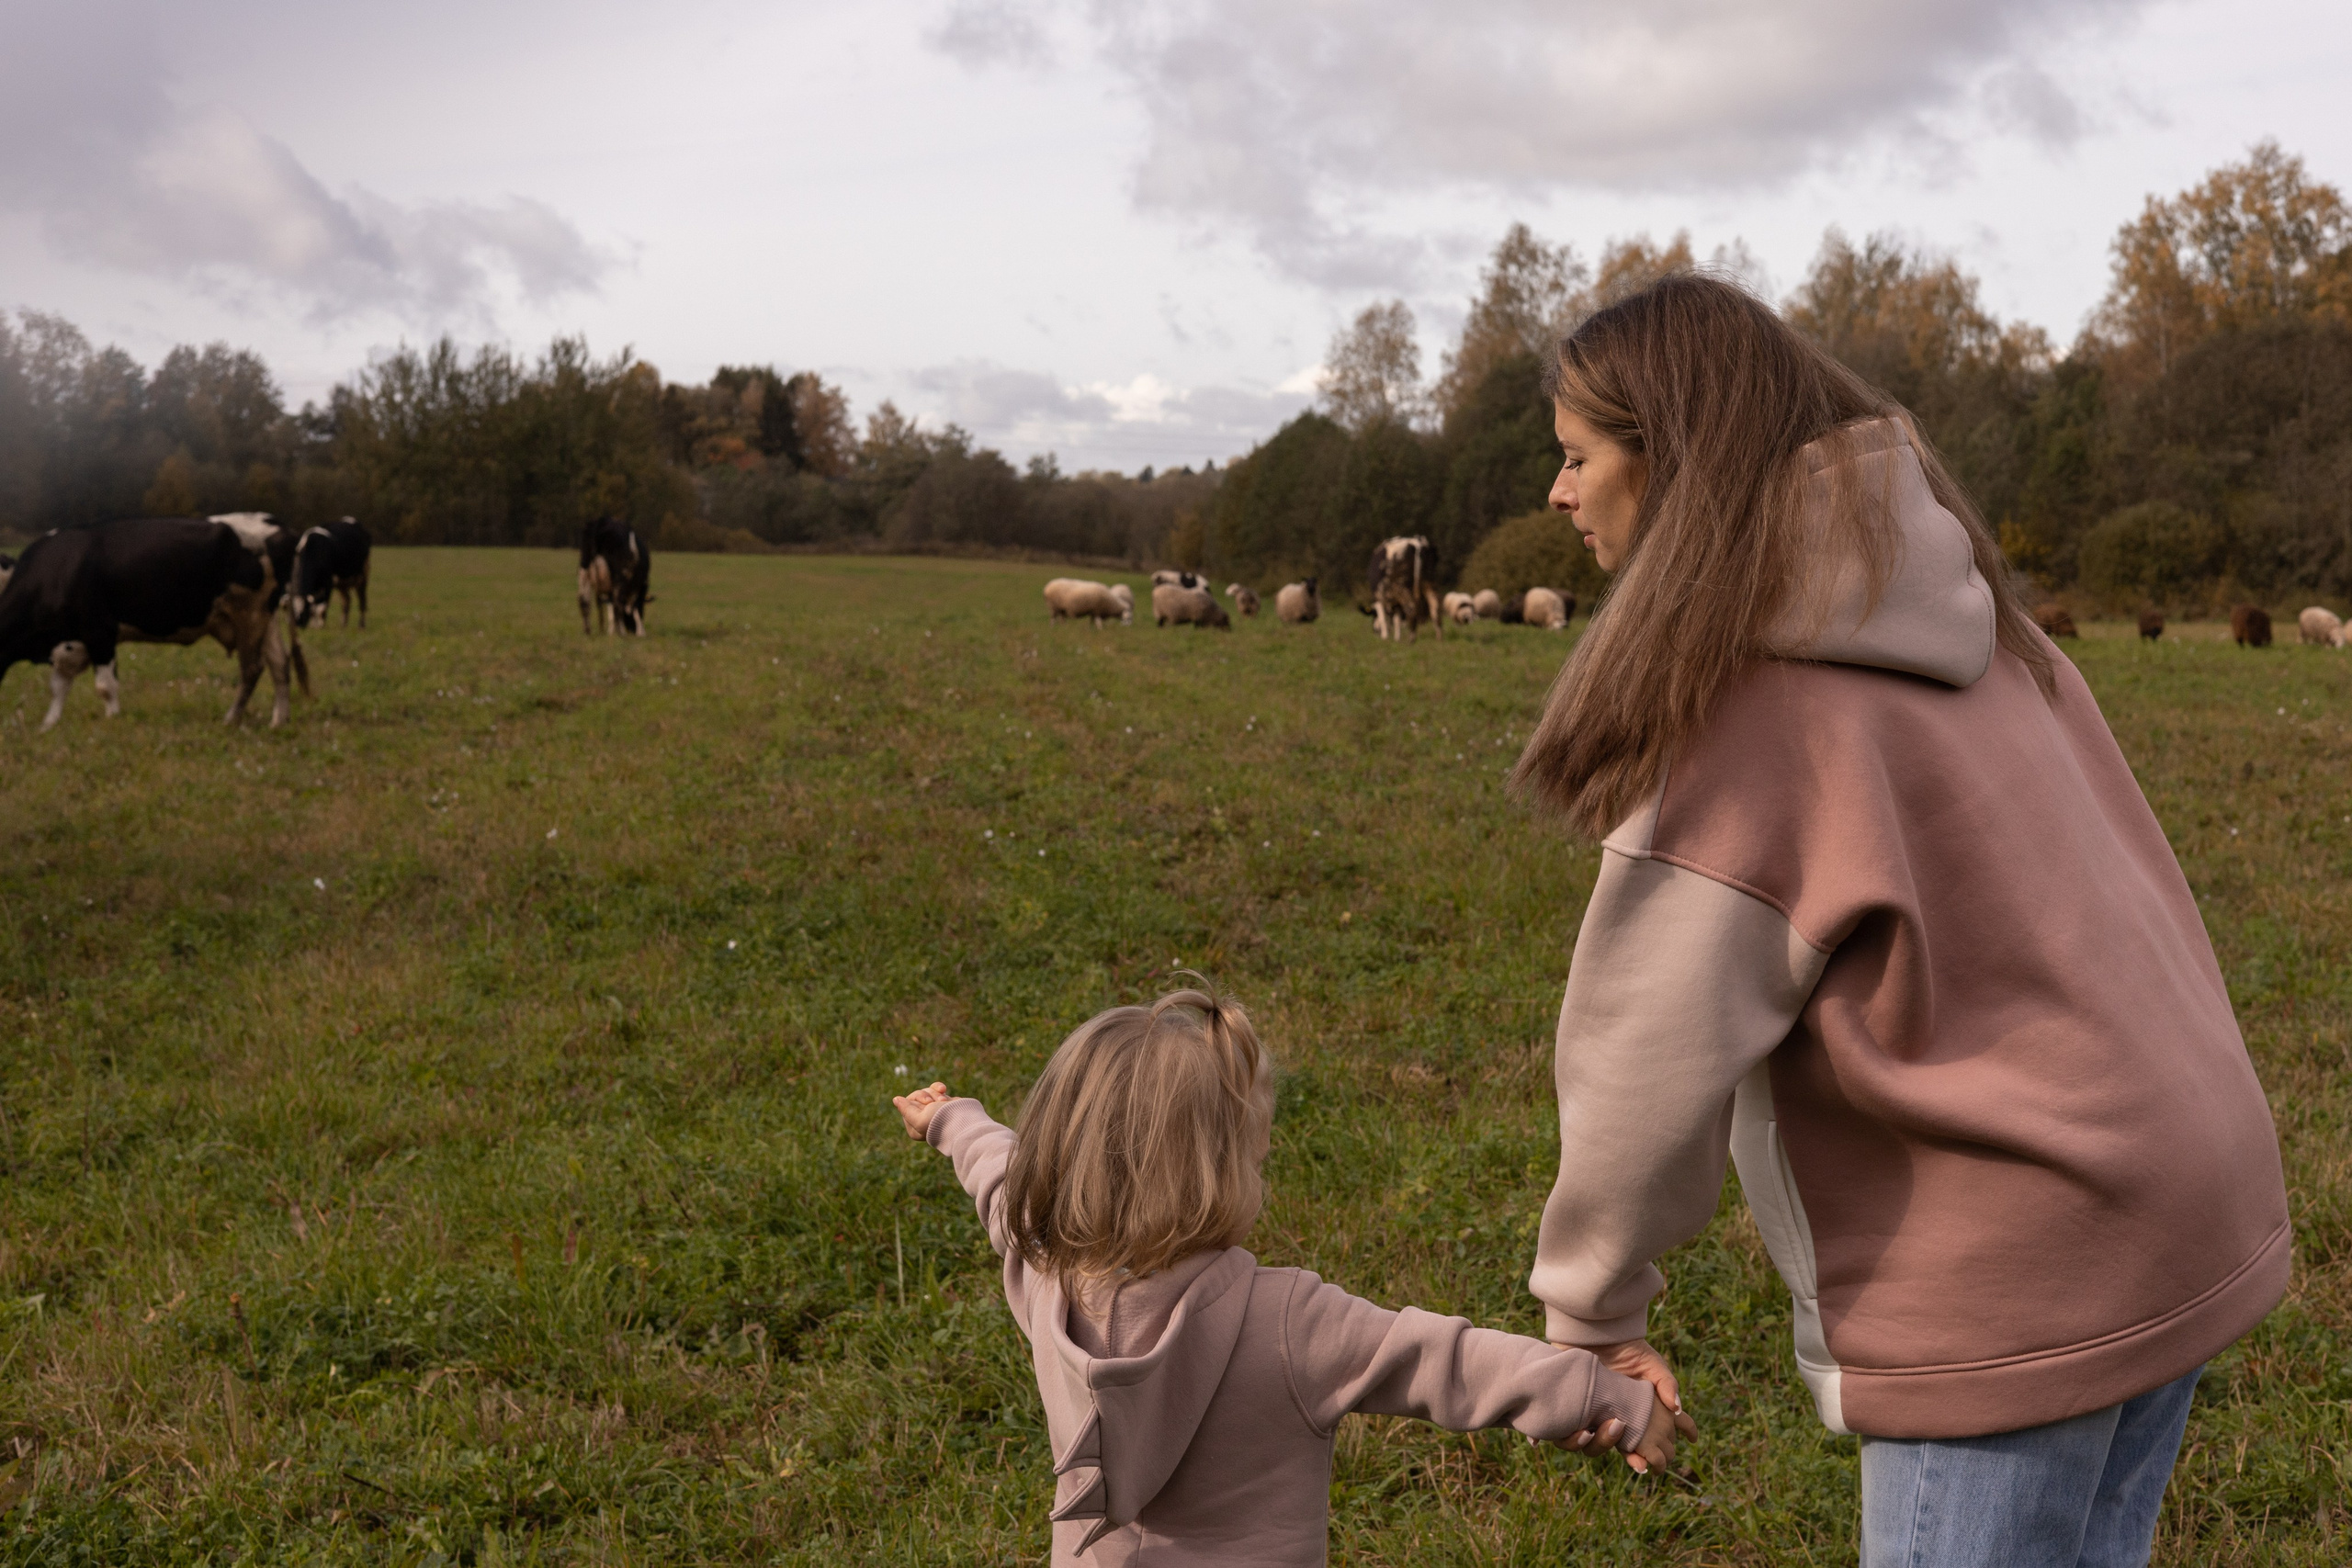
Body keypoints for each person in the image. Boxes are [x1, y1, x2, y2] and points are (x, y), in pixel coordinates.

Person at [1514, 273, 2290, 1567]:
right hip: (2178, 1197)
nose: (1559, 492)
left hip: (2019, 1275)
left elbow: (1641, 1062)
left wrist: (1591, 1312)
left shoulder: (1742, 718)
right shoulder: (1987, 622)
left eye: (1577, 456)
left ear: (1673, 461)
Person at [892, 985, 1692, 1567]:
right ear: (1222, 1174)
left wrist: (952, 1120)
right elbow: (1446, 1358)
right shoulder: (1283, 1319)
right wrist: (1604, 1396)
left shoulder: (1043, 1264)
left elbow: (1000, 1179)